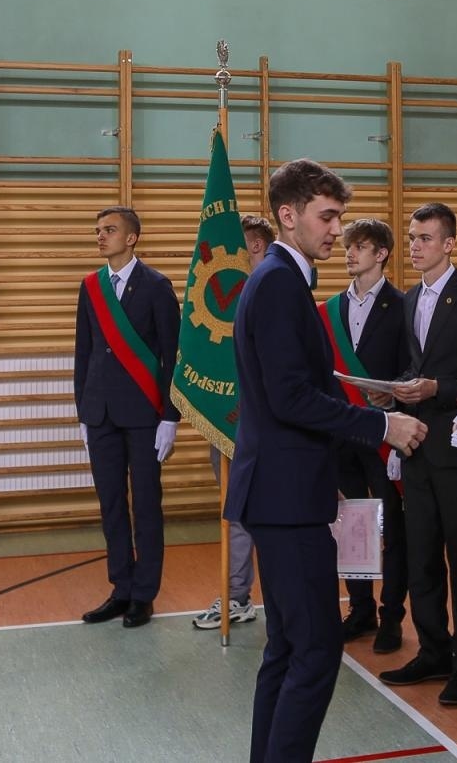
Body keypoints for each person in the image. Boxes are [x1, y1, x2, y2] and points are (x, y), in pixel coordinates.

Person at [226, 159, 428, 763]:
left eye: (337, 216)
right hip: (286, 498)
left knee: (287, 649)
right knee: (314, 654)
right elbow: (289, 397)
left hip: (280, 489)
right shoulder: (283, 283)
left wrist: (335, 378)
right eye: (327, 216)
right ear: (288, 216)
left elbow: (282, 380)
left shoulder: (276, 279)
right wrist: (381, 422)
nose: (336, 230)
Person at [383, 202, 457, 706]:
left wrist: (439, 387)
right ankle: (434, 649)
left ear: (449, 244)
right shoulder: (409, 299)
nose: (415, 246)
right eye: (412, 237)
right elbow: (414, 366)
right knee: (421, 555)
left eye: (425, 238)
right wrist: (392, 393)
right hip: (415, 443)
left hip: (455, 446)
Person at [74, 206, 182, 629]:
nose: (101, 237)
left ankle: (143, 594)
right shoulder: (91, 287)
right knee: (111, 505)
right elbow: (83, 353)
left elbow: (171, 355)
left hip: (144, 415)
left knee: (147, 506)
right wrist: (84, 414)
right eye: (98, 230)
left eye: (110, 230)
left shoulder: (157, 286)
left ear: (132, 237)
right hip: (100, 413)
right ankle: (120, 588)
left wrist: (170, 418)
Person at [324, 217, 411, 653]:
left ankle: (391, 615)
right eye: (347, 246)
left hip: (384, 434)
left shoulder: (403, 306)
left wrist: (394, 406)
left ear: (381, 254)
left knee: (394, 529)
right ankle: (359, 609)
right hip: (343, 434)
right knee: (353, 526)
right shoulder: (330, 309)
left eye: (359, 247)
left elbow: (411, 368)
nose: (349, 253)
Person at [191, 214, 274, 631]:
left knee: (279, 513)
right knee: (236, 510)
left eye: (235, 243)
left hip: (271, 425)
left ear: (255, 245)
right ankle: (237, 595)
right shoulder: (225, 296)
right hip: (227, 421)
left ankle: (284, 597)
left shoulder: (275, 289)